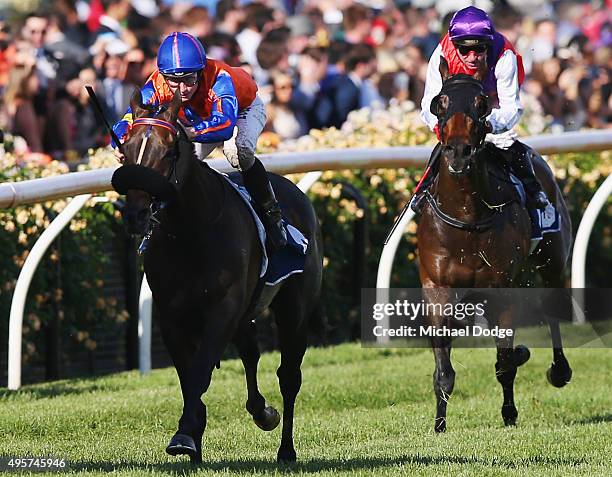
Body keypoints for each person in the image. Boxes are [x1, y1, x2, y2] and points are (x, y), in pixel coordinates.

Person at [112, 32, 287, 249]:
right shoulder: (156, 85)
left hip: (242, 110)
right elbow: (130, 119)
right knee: (172, 162)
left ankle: (271, 213)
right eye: (175, 81)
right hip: (195, 118)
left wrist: (190, 132)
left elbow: (224, 124)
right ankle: (156, 222)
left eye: (189, 79)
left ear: (201, 72)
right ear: (164, 76)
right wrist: (119, 143)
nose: (183, 88)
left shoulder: (220, 78)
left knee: (238, 153)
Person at [412, 6, 550, 213]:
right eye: (464, 50)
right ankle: (420, 194)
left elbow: (511, 108)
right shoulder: (441, 53)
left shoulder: (505, 55)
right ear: (454, 45)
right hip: (457, 112)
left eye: (479, 49)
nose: (472, 57)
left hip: (492, 101)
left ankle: (534, 191)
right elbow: (428, 104)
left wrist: (489, 125)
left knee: (508, 144)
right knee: (446, 149)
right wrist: (442, 128)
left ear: (489, 44)